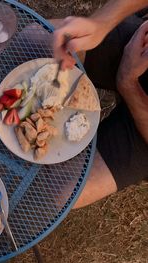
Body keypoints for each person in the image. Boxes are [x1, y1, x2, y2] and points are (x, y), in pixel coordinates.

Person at [52, 0, 148, 209]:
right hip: (140, 45)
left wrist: (128, 82)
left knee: (58, 193)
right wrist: (100, 24)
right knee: (36, 38)